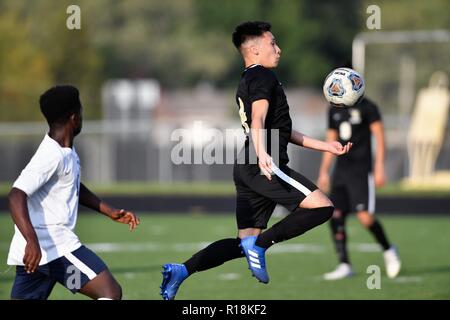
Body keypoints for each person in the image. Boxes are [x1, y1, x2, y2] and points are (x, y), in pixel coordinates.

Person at [159, 21, 352, 300]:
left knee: (242, 243)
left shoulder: (248, 78)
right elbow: (259, 119)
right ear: (255, 49)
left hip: (250, 163)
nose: (279, 49)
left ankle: (181, 270)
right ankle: (261, 245)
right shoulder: (263, 76)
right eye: (272, 43)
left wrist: (326, 147)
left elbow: (281, 130)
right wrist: (264, 155)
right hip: (263, 161)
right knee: (323, 207)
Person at [7, 85, 140, 300]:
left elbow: (72, 184)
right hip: (54, 251)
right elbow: (16, 195)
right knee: (109, 293)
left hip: (38, 258)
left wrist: (109, 211)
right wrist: (32, 240)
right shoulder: (52, 155)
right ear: (74, 118)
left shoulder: (66, 151)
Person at [317, 94, 401, 280]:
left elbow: (380, 137)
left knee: (365, 218)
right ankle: (344, 264)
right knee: (335, 214)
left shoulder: (368, 106)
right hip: (341, 172)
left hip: (361, 172)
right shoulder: (334, 109)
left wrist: (379, 167)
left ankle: (388, 249)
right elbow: (330, 139)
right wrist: (324, 171)